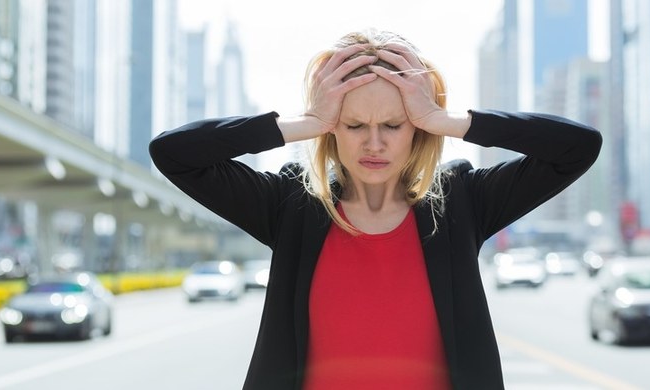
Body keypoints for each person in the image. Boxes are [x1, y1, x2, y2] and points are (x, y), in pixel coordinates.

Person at [150, 29, 602, 390]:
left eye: (393, 124)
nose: (374, 143)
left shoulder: (462, 201)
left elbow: (578, 147)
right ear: (332, 130)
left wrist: (447, 121)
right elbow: (174, 154)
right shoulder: (291, 206)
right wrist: (302, 124)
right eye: (353, 125)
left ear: (417, 129)